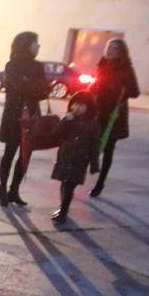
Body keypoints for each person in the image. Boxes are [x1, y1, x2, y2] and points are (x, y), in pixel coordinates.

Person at [0, 31, 49, 207]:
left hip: (32, 115)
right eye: (36, 43)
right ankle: (2, 188)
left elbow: (44, 91)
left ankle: (15, 189)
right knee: (9, 153)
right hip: (14, 116)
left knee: (25, 154)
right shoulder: (12, 64)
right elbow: (19, 86)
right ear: (27, 45)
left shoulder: (38, 66)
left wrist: (28, 84)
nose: (38, 47)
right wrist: (31, 85)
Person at [89, 38, 140, 197]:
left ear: (121, 52)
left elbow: (135, 92)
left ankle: (100, 183)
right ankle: (87, 170)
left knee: (108, 149)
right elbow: (96, 84)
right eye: (108, 47)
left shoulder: (126, 69)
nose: (110, 50)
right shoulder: (102, 64)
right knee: (90, 143)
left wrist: (118, 88)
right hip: (98, 111)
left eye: (114, 48)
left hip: (114, 115)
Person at [50, 91, 100, 224]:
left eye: (81, 105)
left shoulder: (93, 124)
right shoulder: (69, 120)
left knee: (69, 185)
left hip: (80, 160)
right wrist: (66, 120)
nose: (77, 108)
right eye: (75, 104)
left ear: (89, 107)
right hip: (65, 157)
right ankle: (63, 208)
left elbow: (95, 145)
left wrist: (94, 163)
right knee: (63, 184)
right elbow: (57, 134)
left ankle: (63, 211)